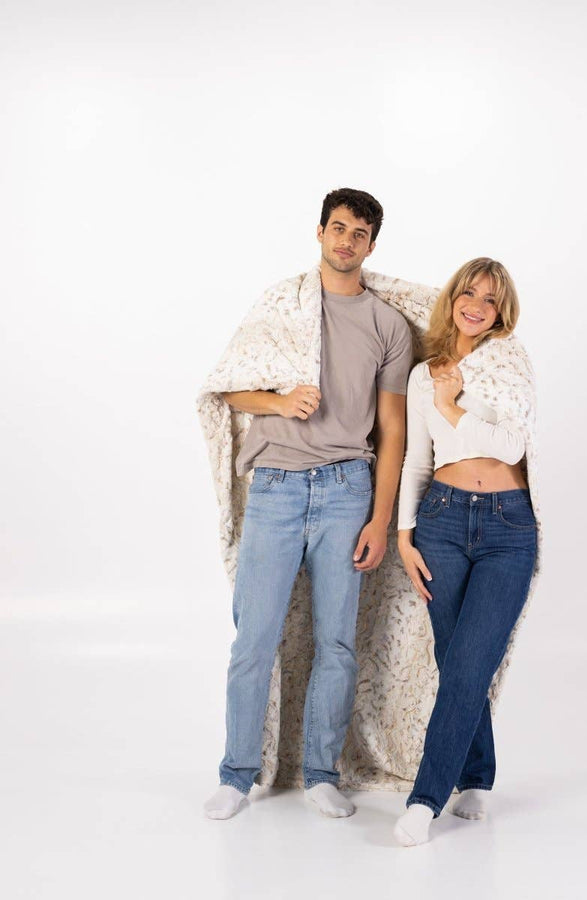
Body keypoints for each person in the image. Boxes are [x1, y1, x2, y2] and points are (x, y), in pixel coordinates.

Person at [202, 188, 415, 820]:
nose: (347, 241)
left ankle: (322, 771)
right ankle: (237, 774)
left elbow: (394, 430)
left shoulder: (388, 325)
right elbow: (230, 388)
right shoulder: (281, 305)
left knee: (338, 642)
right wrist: (279, 400)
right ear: (319, 232)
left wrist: (380, 518)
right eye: (338, 228)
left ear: (372, 245)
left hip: (349, 488)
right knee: (254, 639)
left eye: (360, 233)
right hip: (275, 487)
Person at [393, 257, 540, 846]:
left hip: (509, 528)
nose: (477, 304)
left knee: (472, 659)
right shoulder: (424, 372)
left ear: (502, 311)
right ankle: (476, 773)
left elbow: (509, 441)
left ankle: (425, 800)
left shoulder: (511, 361)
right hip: (442, 521)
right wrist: (405, 534)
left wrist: (456, 405)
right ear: (454, 296)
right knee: (454, 656)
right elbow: (417, 459)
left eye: (491, 298)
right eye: (469, 292)